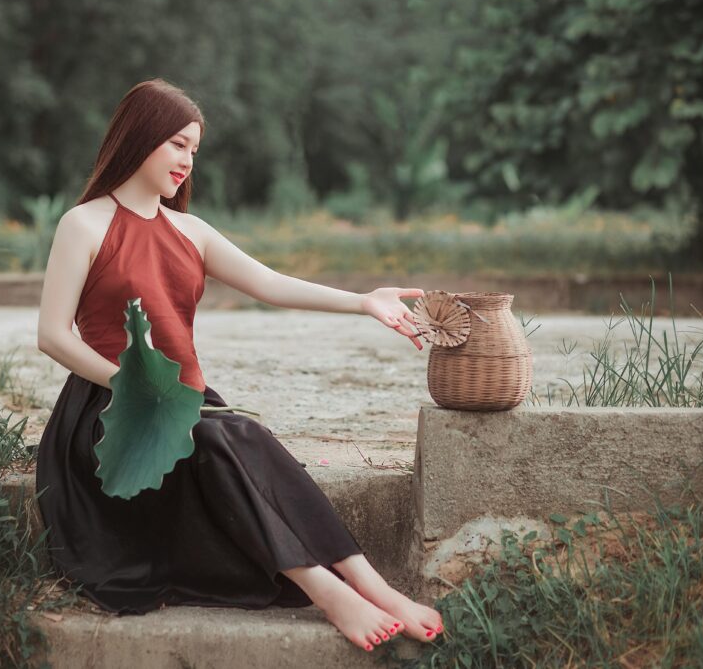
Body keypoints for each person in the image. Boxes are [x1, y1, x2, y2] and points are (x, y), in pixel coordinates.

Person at [35, 78, 444, 653]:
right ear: (141, 136)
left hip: (183, 404)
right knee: (210, 430)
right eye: (177, 144)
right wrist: (134, 384)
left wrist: (362, 301)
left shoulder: (190, 231)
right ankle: (327, 592)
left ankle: (374, 586)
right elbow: (52, 336)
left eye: (194, 150)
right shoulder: (84, 224)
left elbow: (270, 284)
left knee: (240, 431)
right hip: (108, 414)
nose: (186, 160)